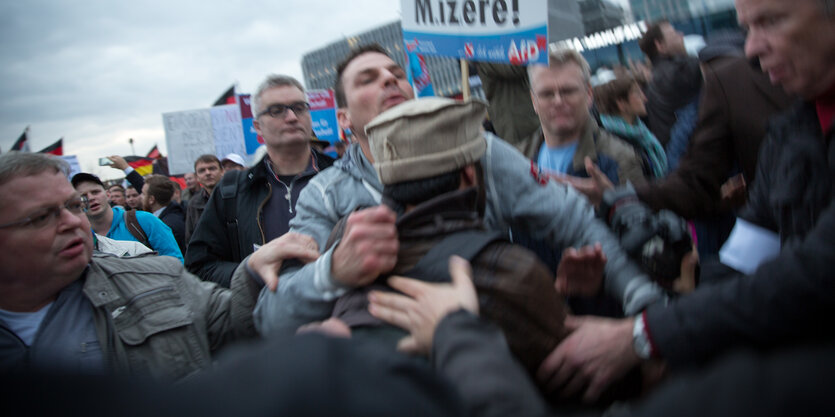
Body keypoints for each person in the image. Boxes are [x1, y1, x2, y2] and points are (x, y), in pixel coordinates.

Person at [253, 44, 664, 336]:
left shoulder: (481, 152)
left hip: (500, 355)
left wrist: (637, 293)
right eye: (368, 79)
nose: (389, 80)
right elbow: (271, 318)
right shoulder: (324, 195)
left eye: (396, 73)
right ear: (343, 117)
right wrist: (333, 271)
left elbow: (571, 218)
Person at [535, 0, 835, 402]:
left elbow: (817, 270)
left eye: (771, 21)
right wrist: (657, 313)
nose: (751, 47)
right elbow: (741, 259)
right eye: (747, 27)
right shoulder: (789, 134)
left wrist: (647, 334)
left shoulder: (621, 150)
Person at [0, 153, 263, 379]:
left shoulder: (157, 275)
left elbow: (243, 319)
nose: (71, 221)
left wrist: (257, 274)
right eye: (42, 216)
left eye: (73, 206)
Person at [185, 75, 333, 287]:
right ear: (258, 127)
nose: (291, 117)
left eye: (299, 107)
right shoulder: (232, 190)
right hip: (264, 315)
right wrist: (251, 270)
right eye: (276, 110)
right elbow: (199, 266)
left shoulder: (345, 177)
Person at [523, 48, 645, 186]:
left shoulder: (620, 159)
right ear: (533, 101)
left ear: (589, 94)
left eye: (568, 91)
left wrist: (610, 201)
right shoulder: (517, 158)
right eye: (547, 94)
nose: (558, 101)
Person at [71, 172, 184, 262]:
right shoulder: (82, 238)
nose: (90, 198)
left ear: (108, 195)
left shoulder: (144, 220)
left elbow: (175, 262)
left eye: (95, 192)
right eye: (83, 196)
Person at [639, 20, 702, 147]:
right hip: (690, 148)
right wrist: (685, 52)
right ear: (660, 45)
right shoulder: (675, 73)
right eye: (674, 34)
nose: (681, 35)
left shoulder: (660, 73)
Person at [595, 75, 668, 179]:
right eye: (638, 93)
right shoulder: (614, 142)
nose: (645, 98)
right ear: (622, 103)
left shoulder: (640, 131)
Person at [142, 175, 187, 254]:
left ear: (151, 199)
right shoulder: (171, 216)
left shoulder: (167, 225)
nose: (140, 197)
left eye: (143, 194)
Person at [185, 154, 222, 243]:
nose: (208, 173)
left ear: (222, 171)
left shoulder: (235, 196)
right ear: (197, 177)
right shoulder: (193, 203)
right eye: (202, 171)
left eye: (212, 168)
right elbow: (191, 238)